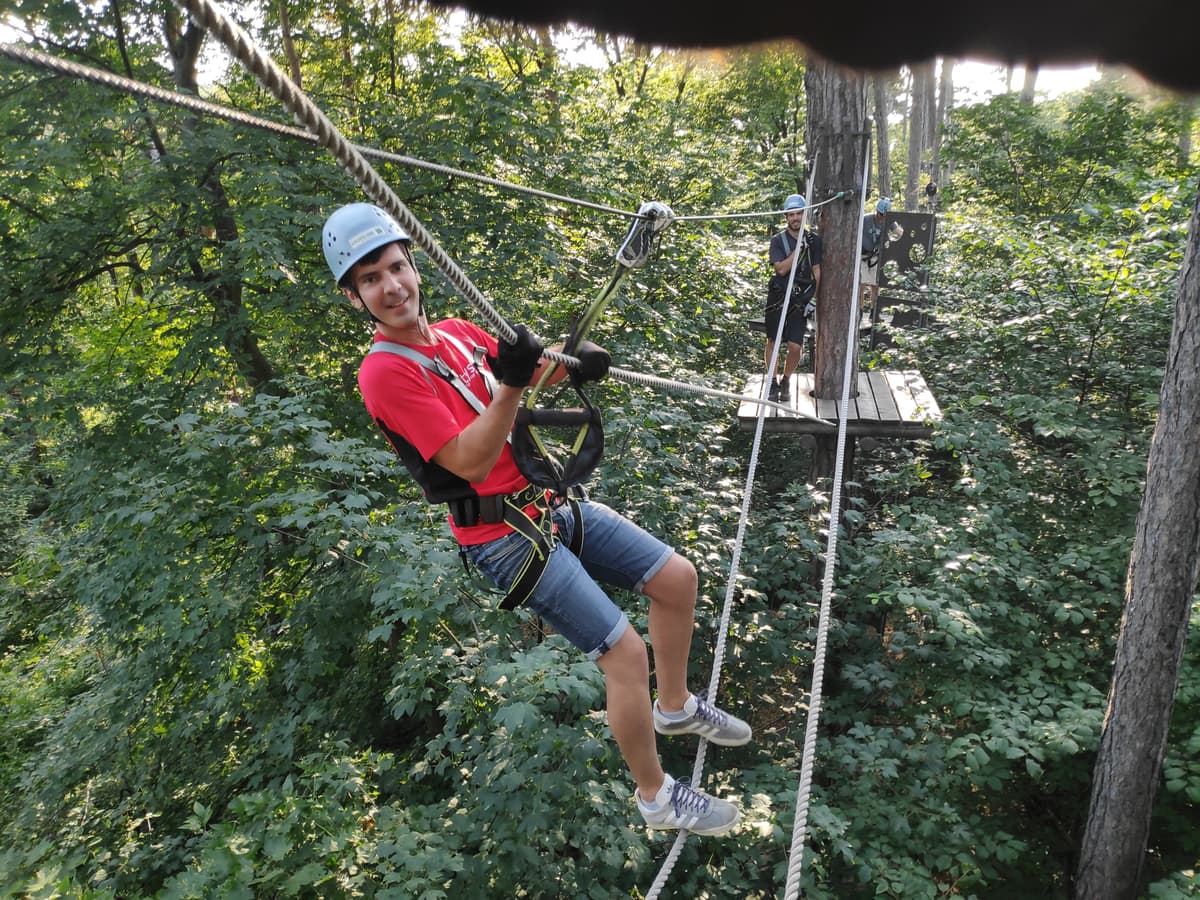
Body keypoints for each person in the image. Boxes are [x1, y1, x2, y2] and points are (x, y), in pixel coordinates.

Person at [322, 202, 752, 837]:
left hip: (546, 504)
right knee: (624, 654)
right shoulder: (384, 372)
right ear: (354, 297)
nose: (390, 286)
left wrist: (573, 362)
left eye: (395, 267)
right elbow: (470, 459)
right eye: (369, 279)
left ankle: (675, 705)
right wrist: (514, 384)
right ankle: (656, 796)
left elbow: (528, 369)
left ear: (413, 265)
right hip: (500, 536)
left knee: (677, 579)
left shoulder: (458, 333)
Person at [763, 193, 822, 403]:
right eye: (791, 214)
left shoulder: (814, 241)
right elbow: (780, 269)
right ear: (786, 217)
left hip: (801, 297)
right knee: (773, 340)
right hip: (779, 295)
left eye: (799, 213)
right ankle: (772, 381)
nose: (795, 217)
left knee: (795, 345)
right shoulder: (778, 241)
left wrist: (814, 299)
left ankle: (786, 379)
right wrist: (799, 249)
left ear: (804, 215)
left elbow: (817, 271)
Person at [860, 197, 894, 316]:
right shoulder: (866, 219)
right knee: (861, 284)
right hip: (863, 255)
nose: (881, 217)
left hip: (876, 256)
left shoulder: (888, 222)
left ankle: (873, 311)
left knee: (875, 285)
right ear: (876, 211)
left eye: (884, 215)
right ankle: (860, 310)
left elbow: (899, 233)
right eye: (880, 214)